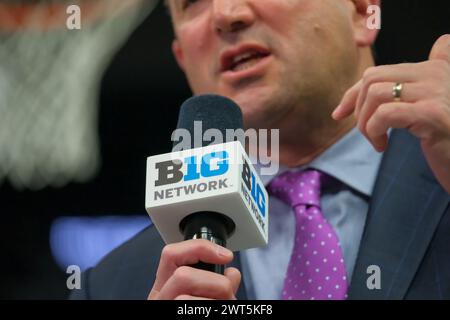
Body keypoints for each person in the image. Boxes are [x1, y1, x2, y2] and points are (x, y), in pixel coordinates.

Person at [71, 0, 450, 300]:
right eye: (192, 2)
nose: (226, 14)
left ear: (360, 10)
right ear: (183, 58)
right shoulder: (112, 286)